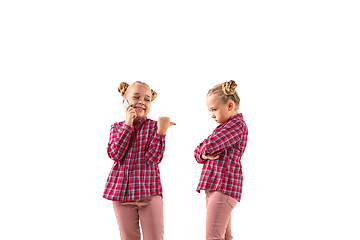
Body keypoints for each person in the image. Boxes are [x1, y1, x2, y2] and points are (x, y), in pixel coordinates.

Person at [103, 81, 175, 240]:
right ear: (125, 102)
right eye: (136, 97)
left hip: (149, 193)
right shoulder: (116, 128)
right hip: (121, 195)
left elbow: (153, 159)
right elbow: (115, 154)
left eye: (147, 99)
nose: (142, 101)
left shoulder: (154, 127)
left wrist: (161, 132)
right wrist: (128, 124)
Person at [194, 80, 248, 240]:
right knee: (224, 236)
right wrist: (203, 153)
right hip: (215, 187)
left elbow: (210, 146)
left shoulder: (237, 125)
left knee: (214, 236)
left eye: (214, 109)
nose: (212, 114)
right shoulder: (223, 128)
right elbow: (198, 152)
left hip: (223, 186)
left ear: (230, 106)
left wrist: (204, 150)